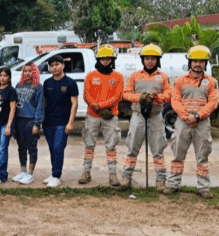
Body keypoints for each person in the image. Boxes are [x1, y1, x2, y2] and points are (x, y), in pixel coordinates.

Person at [163, 45, 219, 198]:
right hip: (183, 121)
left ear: (205, 63)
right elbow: (175, 100)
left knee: (202, 156)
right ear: (190, 63)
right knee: (177, 155)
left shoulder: (212, 82)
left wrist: (198, 116)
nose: (198, 64)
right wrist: (186, 116)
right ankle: (173, 185)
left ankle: (203, 188)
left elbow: (213, 102)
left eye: (201, 61)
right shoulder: (180, 81)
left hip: (202, 122)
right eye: (195, 61)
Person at [121, 44, 171, 191]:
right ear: (143, 60)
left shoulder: (163, 77)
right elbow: (126, 93)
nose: (149, 61)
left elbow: (169, 94)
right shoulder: (135, 76)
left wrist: (156, 98)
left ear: (157, 60)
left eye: (152, 59)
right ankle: (126, 177)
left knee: (158, 149)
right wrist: (140, 97)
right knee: (132, 147)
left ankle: (160, 181)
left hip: (155, 116)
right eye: (147, 58)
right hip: (138, 116)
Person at [80, 45, 124, 187]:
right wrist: (95, 106)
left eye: (108, 58)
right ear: (98, 59)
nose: (105, 61)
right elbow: (86, 95)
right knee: (89, 144)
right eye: (103, 58)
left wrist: (103, 106)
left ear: (112, 59)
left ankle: (112, 175)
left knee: (111, 145)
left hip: (110, 115)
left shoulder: (118, 77)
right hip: (92, 115)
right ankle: (86, 172)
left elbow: (118, 96)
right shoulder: (90, 76)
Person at [42, 55, 79, 188]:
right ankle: (53, 174)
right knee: (52, 149)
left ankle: (57, 176)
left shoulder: (70, 83)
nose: (54, 67)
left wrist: (70, 123)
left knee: (58, 149)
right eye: (52, 66)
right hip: (48, 123)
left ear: (63, 65)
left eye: (57, 64)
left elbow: (74, 104)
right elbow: (44, 103)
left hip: (62, 123)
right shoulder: (47, 83)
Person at [11, 63, 44, 185]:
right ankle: (23, 171)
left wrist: (37, 123)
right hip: (19, 120)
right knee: (21, 147)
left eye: (30, 71)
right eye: (25, 71)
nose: (27, 73)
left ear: (34, 72)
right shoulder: (18, 85)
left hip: (31, 120)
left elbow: (40, 107)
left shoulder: (38, 87)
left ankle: (30, 174)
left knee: (32, 148)